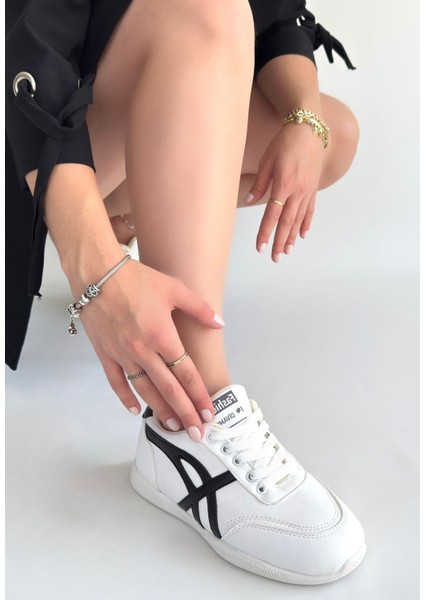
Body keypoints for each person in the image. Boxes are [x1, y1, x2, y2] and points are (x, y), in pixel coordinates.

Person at [5, 0, 366, 584]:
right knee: (203, 12)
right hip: (25, 137)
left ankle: (123, 222)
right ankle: (190, 420)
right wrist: (94, 269)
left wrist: (304, 120)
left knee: (333, 132)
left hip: (117, 128)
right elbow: (29, 53)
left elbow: (278, 17)